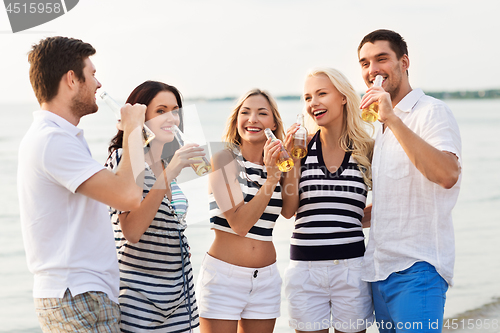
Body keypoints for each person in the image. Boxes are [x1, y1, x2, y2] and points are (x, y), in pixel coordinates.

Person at [17, 36, 146, 332]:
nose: (99, 84)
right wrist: (134, 130)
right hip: (76, 293)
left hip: (79, 293)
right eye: (93, 74)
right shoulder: (52, 141)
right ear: (72, 79)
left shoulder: (57, 137)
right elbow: (128, 196)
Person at [358, 29, 462, 332]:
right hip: (378, 271)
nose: (372, 70)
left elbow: (447, 174)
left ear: (404, 62)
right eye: (364, 63)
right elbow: (392, 202)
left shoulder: (432, 112)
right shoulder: (379, 127)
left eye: (381, 59)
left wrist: (391, 118)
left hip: (418, 270)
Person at [281, 67, 375, 333]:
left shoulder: (367, 148)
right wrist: (293, 163)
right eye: (308, 97)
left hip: (352, 268)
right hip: (305, 269)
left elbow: (390, 203)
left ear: (343, 97)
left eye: (322, 93)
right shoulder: (301, 146)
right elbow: (289, 211)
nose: (313, 103)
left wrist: (353, 220)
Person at [105, 80, 204, 332]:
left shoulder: (163, 161)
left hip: (180, 299)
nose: (171, 117)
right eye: (161, 111)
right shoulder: (125, 159)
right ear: (142, 117)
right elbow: (132, 232)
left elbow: (161, 220)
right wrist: (169, 173)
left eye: (175, 111)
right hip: (141, 302)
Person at [196, 89, 294, 333]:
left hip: (266, 279)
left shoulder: (276, 165)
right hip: (223, 279)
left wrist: (291, 162)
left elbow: (290, 211)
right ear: (236, 120)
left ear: (273, 123)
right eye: (245, 112)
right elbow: (240, 225)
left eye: (262, 113)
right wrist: (271, 180)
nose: (252, 119)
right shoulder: (224, 159)